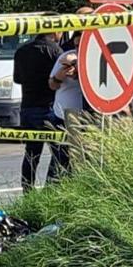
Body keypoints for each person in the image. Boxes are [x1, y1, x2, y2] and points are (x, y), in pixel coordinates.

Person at [13, 30, 62, 191]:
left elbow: (17, 79)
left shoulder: (22, 50)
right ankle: (50, 189)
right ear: (55, 31)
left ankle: (27, 190)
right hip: (50, 106)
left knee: (31, 153)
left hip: (28, 106)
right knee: (59, 152)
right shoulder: (55, 51)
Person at [47, 48, 82, 176]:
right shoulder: (67, 56)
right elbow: (52, 84)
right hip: (61, 114)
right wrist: (58, 77)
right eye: (76, 44)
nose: (78, 47)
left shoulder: (94, 57)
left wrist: (77, 71)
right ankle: (53, 185)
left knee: (79, 159)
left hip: (84, 116)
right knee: (59, 158)